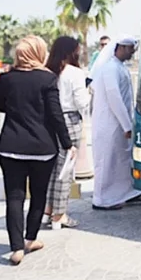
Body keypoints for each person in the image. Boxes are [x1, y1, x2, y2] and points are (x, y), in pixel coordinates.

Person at [0, 35, 76, 265]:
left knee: (14, 197)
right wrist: (68, 143)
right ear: (39, 53)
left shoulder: (6, 77)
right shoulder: (47, 79)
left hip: (9, 147)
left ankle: (16, 249)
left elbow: (1, 106)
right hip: (42, 149)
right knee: (38, 195)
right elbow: (55, 114)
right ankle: (30, 239)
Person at [90, 34, 141, 210]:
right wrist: (127, 125)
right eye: (130, 49)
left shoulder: (119, 67)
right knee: (107, 161)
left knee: (122, 160)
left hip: (119, 124)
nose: (132, 53)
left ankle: (126, 193)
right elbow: (114, 98)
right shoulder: (110, 68)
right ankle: (102, 200)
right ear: (121, 47)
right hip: (110, 125)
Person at [42, 36, 91, 230]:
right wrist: (89, 92)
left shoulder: (47, 71)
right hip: (70, 120)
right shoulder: (75, 73)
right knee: (65, 170)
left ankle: (47, 211)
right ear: (72, 52)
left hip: (49, 122)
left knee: (51, 169)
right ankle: (59, 215)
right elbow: (82, 103)